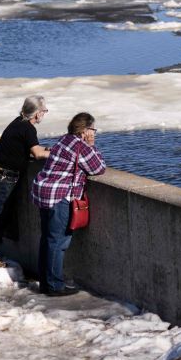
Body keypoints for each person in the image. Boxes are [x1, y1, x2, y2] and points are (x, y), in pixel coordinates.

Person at [0, 96, 51, 268]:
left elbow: (27, 148)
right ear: (36, 113)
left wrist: (47, 149)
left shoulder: (17, 123)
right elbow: (37, 154)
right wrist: (59, 154)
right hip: (6, 177)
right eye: (44, 111)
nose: (45, 114)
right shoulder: (28, 129)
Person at [30, 112, 106, 296]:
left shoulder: (64, 140)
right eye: (93, 129)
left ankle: (45, 283)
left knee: (47, 239)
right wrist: (91, 145)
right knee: (59, 241)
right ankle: (55, 286)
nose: (94, 133)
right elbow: (98, 168)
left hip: (44, 192)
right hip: (60, 196)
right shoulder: (81, 146)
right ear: (86, 130)